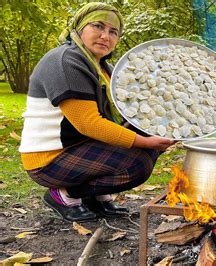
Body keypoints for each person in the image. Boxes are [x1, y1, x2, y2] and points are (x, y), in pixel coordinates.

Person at [19, 2, 174, 222]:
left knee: (151, 131)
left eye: (113, 32)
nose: (105, 36)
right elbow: (89, 123)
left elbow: (123, 115)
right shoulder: (66, 61)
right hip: (50, 159)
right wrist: (145, 142)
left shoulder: (104, 68)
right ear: (80, 28)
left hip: (80, 146)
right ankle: (64, 194)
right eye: (98, 26)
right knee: (138, 164)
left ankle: (95, 195)